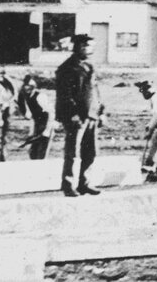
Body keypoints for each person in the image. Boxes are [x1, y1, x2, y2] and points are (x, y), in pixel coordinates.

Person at [56, 33, 104, 196]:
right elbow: (64, 95)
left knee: (90, 152)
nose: (90, 49)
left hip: (91, 115)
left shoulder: (90, 66)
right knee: (73, 152)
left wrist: (101, 112)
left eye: (92, 46)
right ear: (79, 46)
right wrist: (72, 114)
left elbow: (95, 92)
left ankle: (84, 183)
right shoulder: (67, 68)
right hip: (76, 117)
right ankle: (68, 185)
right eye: (87, 46)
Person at [16, 74, 53, 160]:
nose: (26, 88)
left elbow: (51, 113)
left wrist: (47, 130)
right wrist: (31, 132)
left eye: (29, 86)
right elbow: (32, 117)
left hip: (45, 125)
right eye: (25, 86)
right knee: (33, 153)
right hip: (37, 126)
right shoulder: (28, 98)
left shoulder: (40, 96)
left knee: (41, 154)